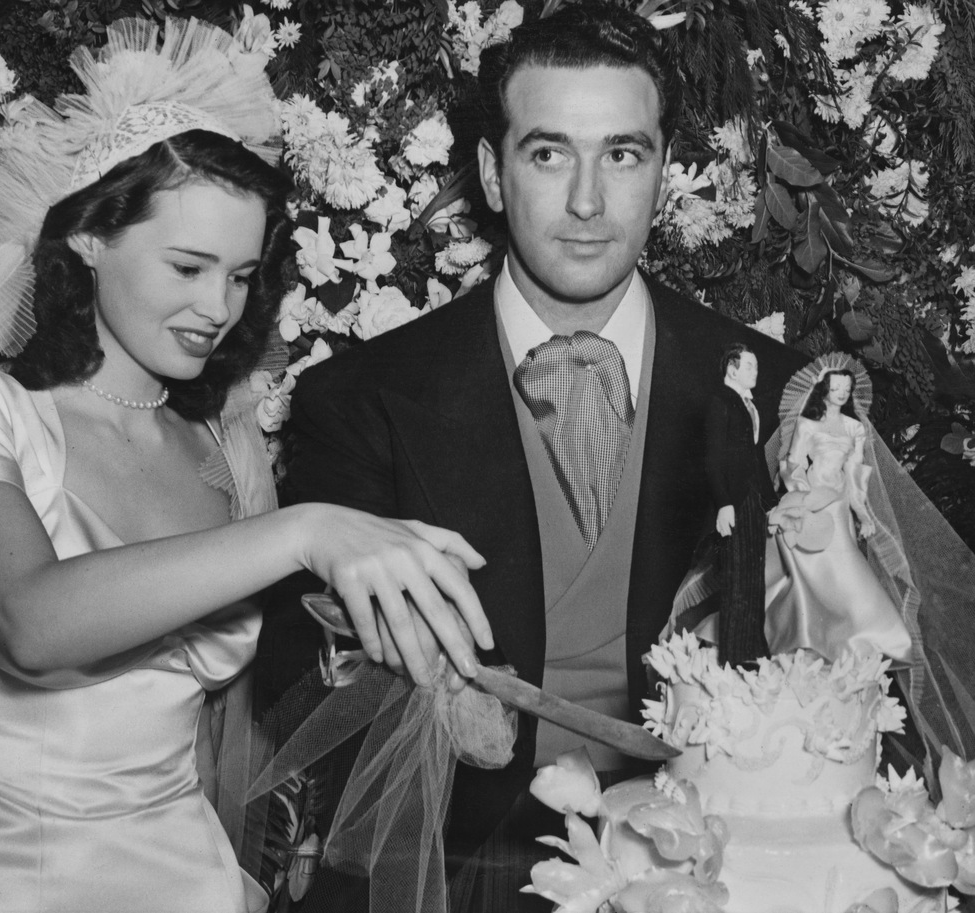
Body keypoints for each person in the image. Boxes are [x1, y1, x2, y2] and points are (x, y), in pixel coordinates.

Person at [0, 18, 493, 913]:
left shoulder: (226, 447)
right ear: (87, 239)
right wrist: (308, 530)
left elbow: (219, 727)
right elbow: (30, 623)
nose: (219, 307)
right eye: (188, 265)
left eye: (240, 274)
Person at [254, 3, 806, 911]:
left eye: (622, 154)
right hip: (452, 871)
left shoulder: (767, 386)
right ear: (493, 174)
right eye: (550, 153)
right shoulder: (358, 400)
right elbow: (310, 698)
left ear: (663, 169)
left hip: (715, 867)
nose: (588, 201)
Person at [764, 359, 914, 663]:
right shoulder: (807, 425)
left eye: (847, 388)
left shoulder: (855, 428)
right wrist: (801, 497)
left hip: (840, 505)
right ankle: (807, 641)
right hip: (812, 503)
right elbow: (792, 464)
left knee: (846, 570)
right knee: (813, 572)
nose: (842, 392)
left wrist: (863, 514)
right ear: (824, 390)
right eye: (836, 387)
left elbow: (855, 475)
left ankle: (867, 637)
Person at [706, 343, 774, 665]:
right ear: (732, 369)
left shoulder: (750, 405)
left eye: (757, 366)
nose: (756, 371)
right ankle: (733, 657)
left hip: (753, 502)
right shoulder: (720, 401)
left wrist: (771, 503)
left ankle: (753, 650)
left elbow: (757, 457)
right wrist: (723, 503)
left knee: (753, 576)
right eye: (750, 365)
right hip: (733, 501)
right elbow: (712, 458)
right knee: (735, 577)